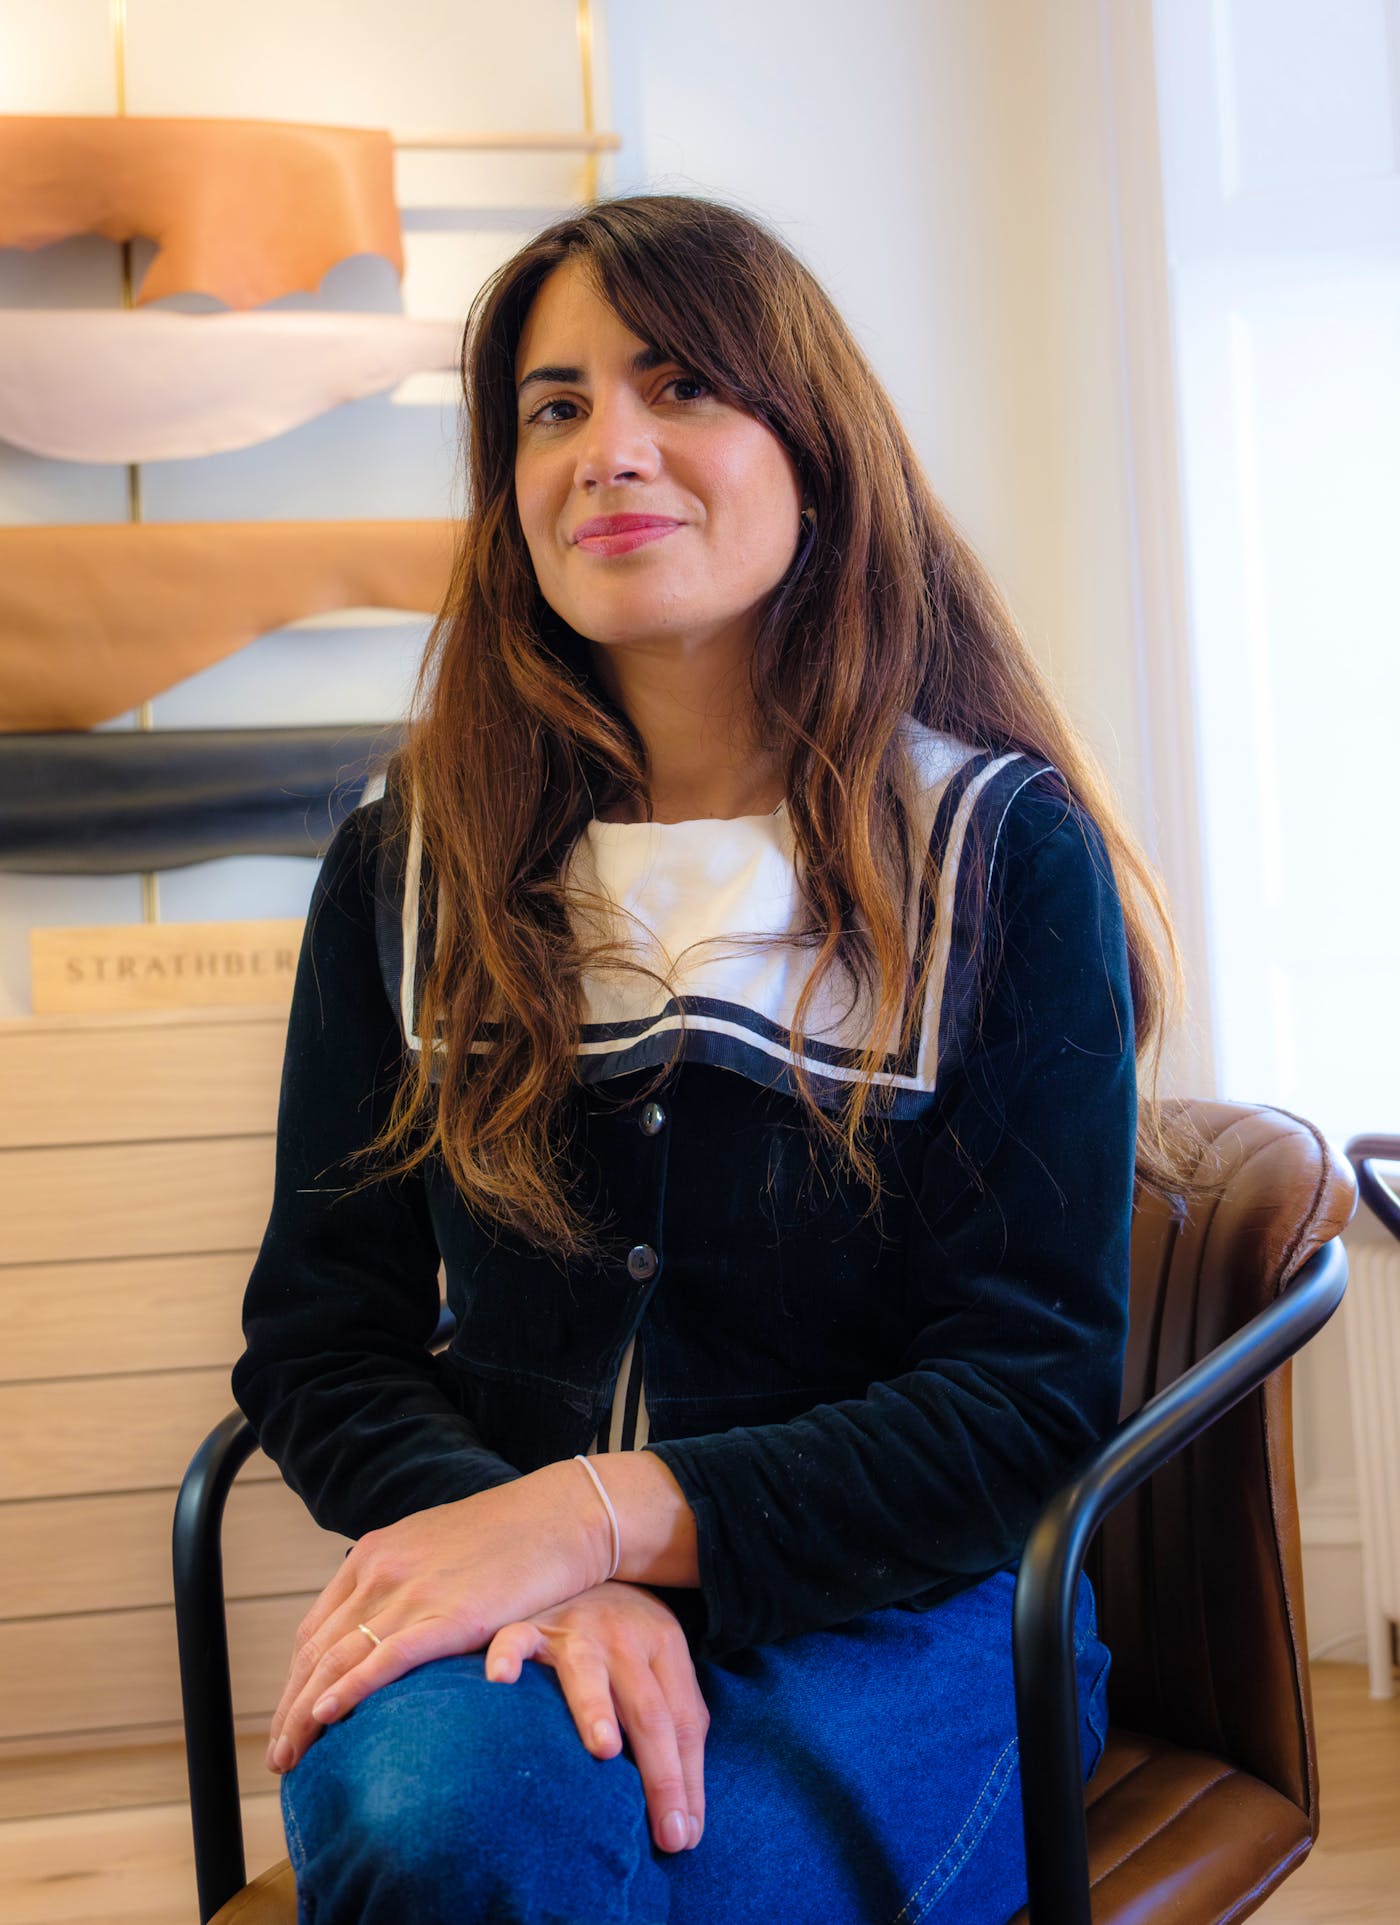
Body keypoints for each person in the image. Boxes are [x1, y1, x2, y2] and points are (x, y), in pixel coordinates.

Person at [233, 192, 1188, 1924]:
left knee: (680, 1888)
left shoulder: (994, 853)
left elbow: (1021, 1400)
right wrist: (530, 1554)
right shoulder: (405, 863)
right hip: (502, 1619)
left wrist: (609, 1517)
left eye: (679, 384)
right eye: (556, 406)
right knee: (461, 1839)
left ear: (816, 447)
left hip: (899, 1627)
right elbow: (320, 1338)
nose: (610, 447)